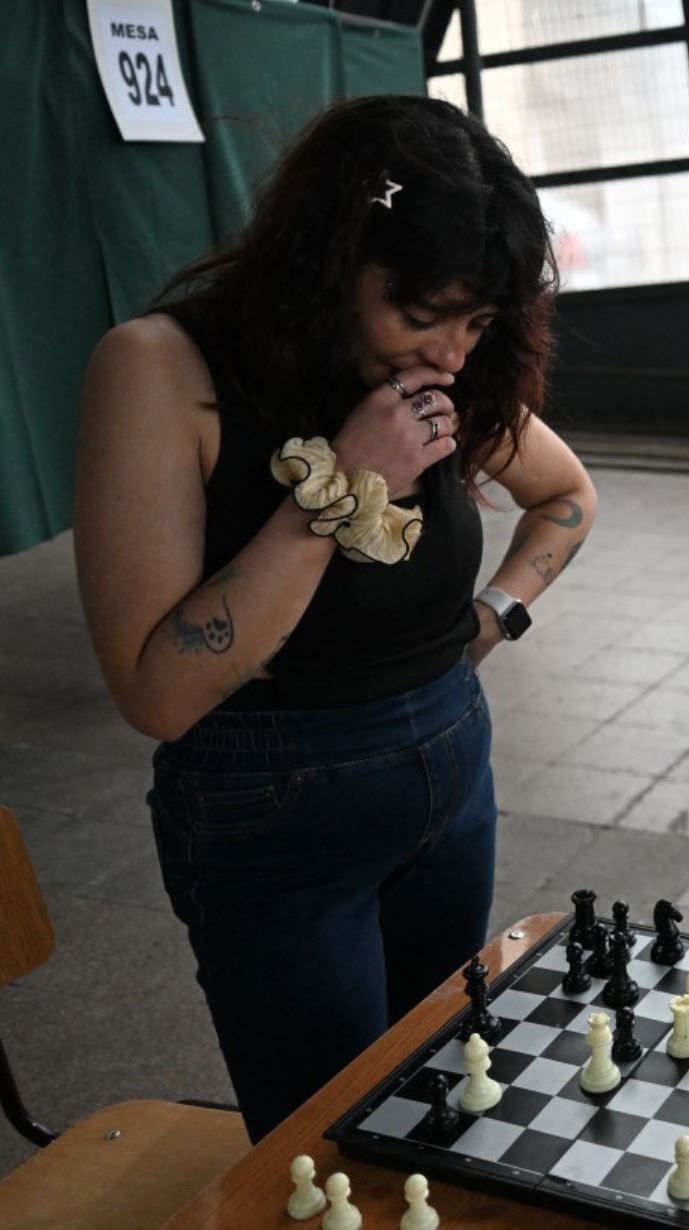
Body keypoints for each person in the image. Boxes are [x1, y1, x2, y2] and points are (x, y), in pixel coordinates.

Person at [72, 96, 598, 1140]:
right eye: (425, 313)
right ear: (332, 256)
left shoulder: (436, 377)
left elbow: (567, 496)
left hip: (451, 762)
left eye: (479, 323)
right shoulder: (161, 368)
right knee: (328, 1146)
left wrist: (496, 617)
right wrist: (342, 490)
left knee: (447, 1098)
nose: (452, 355)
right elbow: (157, 694)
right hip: (276, 798)